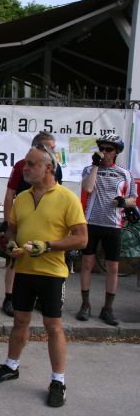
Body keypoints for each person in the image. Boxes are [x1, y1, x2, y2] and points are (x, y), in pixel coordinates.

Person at [0, 144, 87, 408]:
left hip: (52, 273)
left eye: (31, 164)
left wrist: (48, 245)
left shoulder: (67, 198)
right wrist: (10, 244)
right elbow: (12, 231)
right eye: (25, 164)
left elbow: (81, 238)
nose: (25, 168)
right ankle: (11, 366)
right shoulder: (21, 198)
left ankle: (58, 381)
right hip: (23, 270)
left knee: (52, 326)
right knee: (20, 320)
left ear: (48, 167)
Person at [0, 131, 63, 316]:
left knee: (40, 255)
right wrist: (6, 220)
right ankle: (9, 297)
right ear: (38, 147)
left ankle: (39, 298)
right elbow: (10, 193)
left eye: (54, 147)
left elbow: (58, 194)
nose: (53, 150)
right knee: (15, 257)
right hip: (22, 217)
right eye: (49, 147)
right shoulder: (21, 166)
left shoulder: (55, 167)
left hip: (45, 220)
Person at [77, 134, 136, 326]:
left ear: (116, 152)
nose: (104, 152)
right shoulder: (89, 169)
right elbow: (87, 188)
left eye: (108, 149)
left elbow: (133, 198)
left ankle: (107, 309)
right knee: (87, 264)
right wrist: (95, 165)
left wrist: (123, 202)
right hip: (91, 222)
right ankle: (85, 305)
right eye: (102, 148)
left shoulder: (124, 173)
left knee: (113, 267)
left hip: (113, 225)